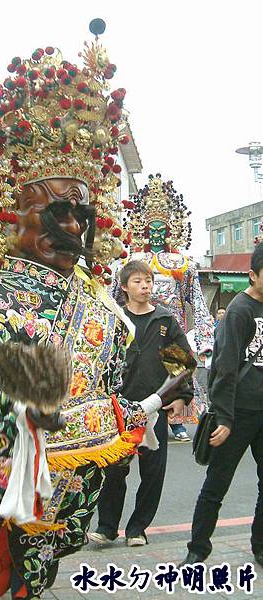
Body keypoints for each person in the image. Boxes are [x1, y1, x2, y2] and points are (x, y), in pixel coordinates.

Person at [0, 27, 189, 600]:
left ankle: (134, 531)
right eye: (56, 212)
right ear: (13, 217)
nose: (74, 226)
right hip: (21, 478)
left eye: (82, 213)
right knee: (22, 569)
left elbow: (172, 359)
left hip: (107, 446)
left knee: (81, 535)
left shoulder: (137, 314)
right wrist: (18, 461)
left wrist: (165, 398)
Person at [88, 260, 194, 547]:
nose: (145, 286)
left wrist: (182, 396)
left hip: (153, 408)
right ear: (123, 287)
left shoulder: (163, 321)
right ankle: (107, 527)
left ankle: (138, 528)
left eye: (148, 280)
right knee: (113, 470)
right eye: (137, 281)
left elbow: (182, 363)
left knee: (152, 471)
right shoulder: (114, 319)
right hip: (118, 409)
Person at [180, 242, 263, 567]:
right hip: (238, 413)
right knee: (217, 483)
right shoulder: (240, 311)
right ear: (252, 275)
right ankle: (198, 548)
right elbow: (224, 368)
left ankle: (260, 545)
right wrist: (225, 419)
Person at [118, 174, 214, 441]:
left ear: (170, 230)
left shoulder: (182, 263)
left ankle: (175, 417)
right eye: (153, 228)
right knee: (137, 371)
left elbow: (196, 299)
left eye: (162, 228)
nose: (158, 233)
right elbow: (115, 301)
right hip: (136, 325)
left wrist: (206, 337)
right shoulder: (132, 261)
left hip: (169, 326)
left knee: (175, 368)